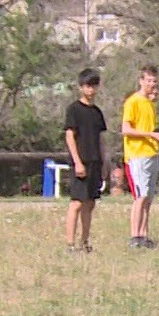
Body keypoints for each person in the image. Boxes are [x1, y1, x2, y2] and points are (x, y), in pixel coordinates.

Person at [121, 65, 159, 248]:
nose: (151, 84)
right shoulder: (133, 102)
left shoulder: (150, 103)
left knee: (148, 197)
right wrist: (150, 135)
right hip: (137, 154)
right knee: (140, 197)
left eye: (154, 81)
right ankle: (135, 235)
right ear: (141, 81)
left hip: (151, 154)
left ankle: (144, 235)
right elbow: (126, 129)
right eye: (148, 80)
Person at [63, 68, 106, 252]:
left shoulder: (97, 112)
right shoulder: (73, 109)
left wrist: (105, 163)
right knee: (77, 203)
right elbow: (70, 136)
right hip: (80, 161)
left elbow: (101, 139)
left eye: (94, 86)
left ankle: (85, 241)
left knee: (90, 203)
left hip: (96, 161)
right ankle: (70, 244)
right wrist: (77, 162)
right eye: (88, 86)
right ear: (81, 87)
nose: (91, 90)